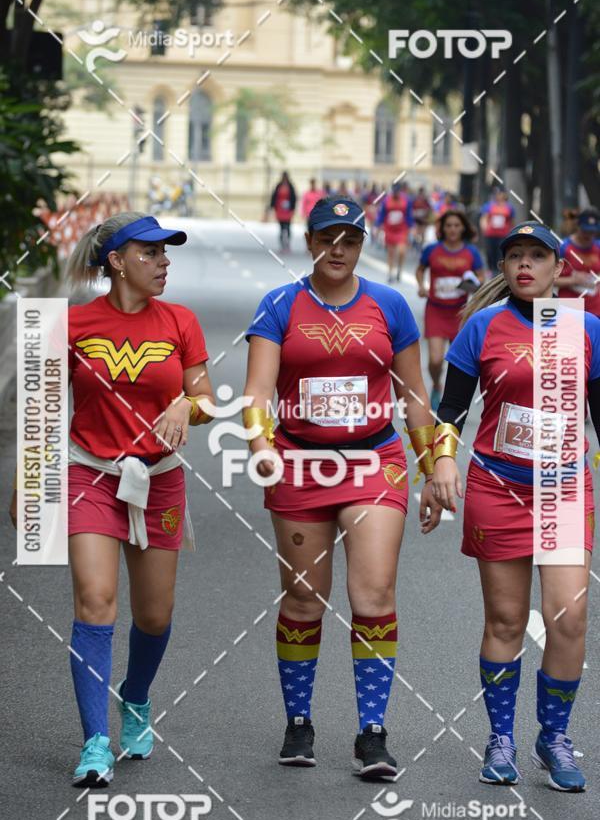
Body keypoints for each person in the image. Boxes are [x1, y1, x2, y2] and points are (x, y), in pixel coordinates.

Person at [11, 212, 215, 787]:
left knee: (155, 614)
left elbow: (207, 396)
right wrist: (27, 485)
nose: (163, 262)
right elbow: (41, 409)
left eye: (165, 253)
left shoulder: (180, 320)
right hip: (89, 473)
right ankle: (95, 741)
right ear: (116, 261)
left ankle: (137, 696)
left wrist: (185, 405)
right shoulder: (70, 323)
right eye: (149, 253)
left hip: (160, 479)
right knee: (95, 600)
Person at [243, 196, 442, 779]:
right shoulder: (280, 304)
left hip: (374, 460)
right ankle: (299, 721)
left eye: (349, 240)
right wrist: (262, 451)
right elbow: (257, 392)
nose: (338, 250)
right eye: (328, 238)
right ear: (309, 242)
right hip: (300, 462)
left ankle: (372, 732)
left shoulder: (389, 304)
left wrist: (431, 470)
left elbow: (415, 396)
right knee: (305, 599)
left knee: (374, 595)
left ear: (362, 245)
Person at [432, 221, 600, 793]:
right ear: (503, 269)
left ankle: (553, 737)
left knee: (568, 617)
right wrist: (443, 462)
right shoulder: (483, 326)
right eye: (514, 257)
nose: (525, 265)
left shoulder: (585, 329)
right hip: (498, 487)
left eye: (537, 256)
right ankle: (500, 738)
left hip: (563, 488)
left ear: (559, 268)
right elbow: (449, 410)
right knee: (505, 620)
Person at [415, 210, 485, 410]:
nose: (452, 229)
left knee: (458, 362)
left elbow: (481, 277)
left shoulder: (471, 252)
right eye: (448, 225)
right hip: (436, 310)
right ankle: (437, 384)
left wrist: (473, 283)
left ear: (463, 227)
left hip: (460, 313)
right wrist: (421, 286)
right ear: (442, 228)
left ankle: (452, 400)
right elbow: (420, 269)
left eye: (456, 225)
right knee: (435, 359)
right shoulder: (432, 250)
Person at [555, 207, 600, 318]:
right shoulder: (564, 247)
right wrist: (573, 280)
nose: (588, 235)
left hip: (595, 308)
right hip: (570, 306)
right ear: (578, 226)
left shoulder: (598, 246)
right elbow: (548, 279)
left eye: (592, 232)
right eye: (585, 231)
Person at [375, 184, 413, 284]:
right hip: (389, 229)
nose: (396, 194)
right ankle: (390, 274)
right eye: (394, 191)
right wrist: (378, 227)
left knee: (401, 251)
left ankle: (399, 270)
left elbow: (409, 215)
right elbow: (382, 215)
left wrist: (411, 228)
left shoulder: (406, 200)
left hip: (402, 230)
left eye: (397, 191)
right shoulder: (386, 200)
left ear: (400, 191)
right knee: (391, 253)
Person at [479, 188, 516, 273]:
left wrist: (512, 232)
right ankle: (491, 270)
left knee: (501, 253)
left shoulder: (509, 207)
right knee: (490, 253)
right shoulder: (489, 205)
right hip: (490, 234)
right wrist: (484, 228)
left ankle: (499, 271)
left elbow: (512, 221)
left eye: (501, 194)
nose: (499, 196)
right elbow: (484, 218)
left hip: (503, 235)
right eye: (498, 194)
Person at [270, 172, 297, 253]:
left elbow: (294, 197)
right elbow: (274, 196)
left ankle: (287, 244)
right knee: (281, 228)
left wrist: (292, 208)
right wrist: (273, 206)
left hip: (288, 210)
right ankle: (282, 245)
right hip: (280, 209)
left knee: (288, 227)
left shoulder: (290, 186)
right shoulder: (278, 185)